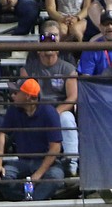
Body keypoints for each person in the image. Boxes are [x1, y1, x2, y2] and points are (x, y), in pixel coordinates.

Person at [0, 79, 64, 201]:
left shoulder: (49, 112)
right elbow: (1, 136)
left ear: (28, 97)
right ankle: (31, 204)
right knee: (0, 177)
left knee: (55, 176)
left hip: (46, 162)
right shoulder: (13, 110)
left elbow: (55, 148)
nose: (12, 95)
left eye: (16, 93)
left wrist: (38, 174)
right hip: (23, 161)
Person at [19, 31, 79, 176]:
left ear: (57, 48)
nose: (48, 48)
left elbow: (72, 97)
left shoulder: (68, 69)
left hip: (60, 109)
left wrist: (54, 113)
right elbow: (25, 95)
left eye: (51, 44)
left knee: (67, 119)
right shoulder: (27, 70)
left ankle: (72, 162)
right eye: (44, 44)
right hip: (36, 109)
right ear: (38, 49)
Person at [77, 9, 112, 76]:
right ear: (100, 27)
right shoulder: (91, 48)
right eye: (106, 24)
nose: (110, 27)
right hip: (98, 85)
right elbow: (86, 78)